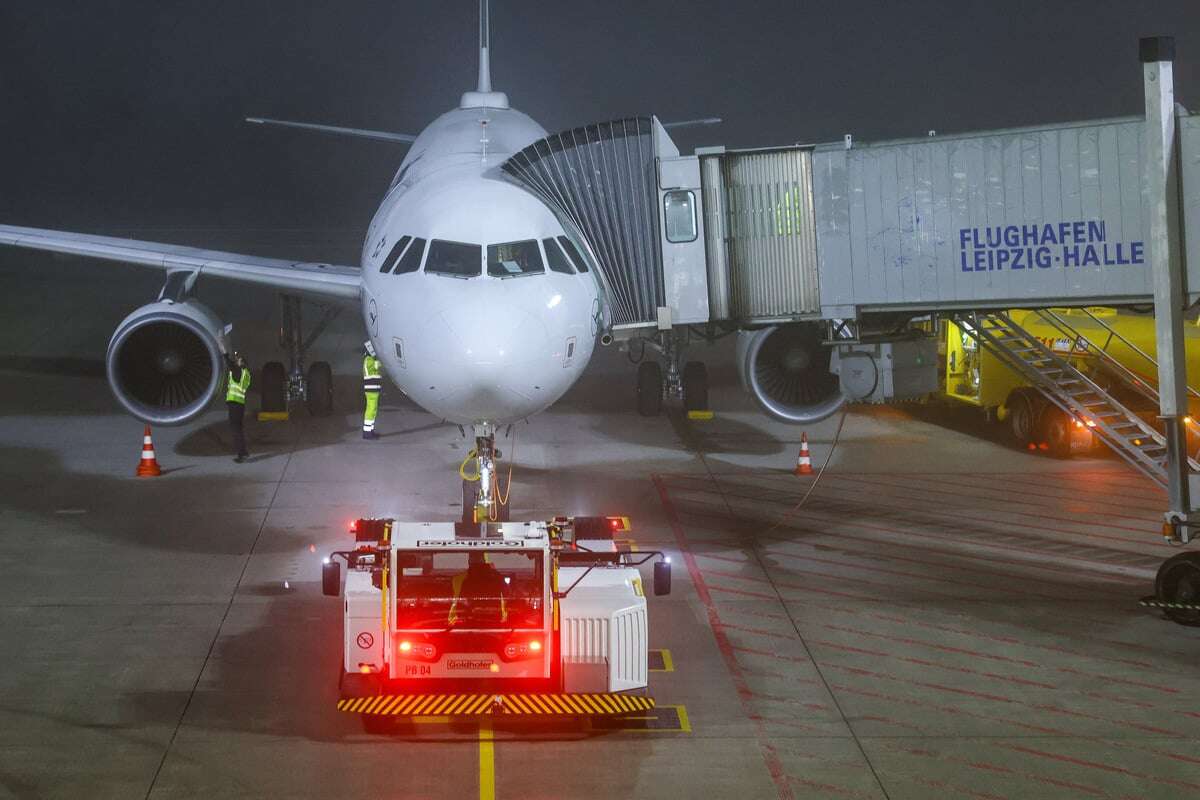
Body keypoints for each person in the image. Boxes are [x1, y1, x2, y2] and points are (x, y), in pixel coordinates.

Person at [447, 552, 507, 626]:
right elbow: (508, 595)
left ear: (469, 562)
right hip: (493, 620)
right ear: (484, 561)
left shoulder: (462, 580)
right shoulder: (496, 577)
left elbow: (459, 605)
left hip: (470, 622)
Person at [224, 351, 252, 463]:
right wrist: (236, 355)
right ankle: (243, 452)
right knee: (238, 429)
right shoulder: (246, 374)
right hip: (240, 404)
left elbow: (230, 364)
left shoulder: (237, 371)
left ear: (241, 364)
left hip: (235, 404)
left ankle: (242, 453)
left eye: (238, 361)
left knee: (236, 430)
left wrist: (225, 354)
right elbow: (235, 364)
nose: (236, 362)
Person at [362, 340, 382, 440]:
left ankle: (370, 430)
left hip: (374, 389)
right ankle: (367, 433)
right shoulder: (369, 360)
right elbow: (378, 365)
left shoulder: (370, 359)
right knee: (370, 410)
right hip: (371, 391)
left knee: (373, 410)